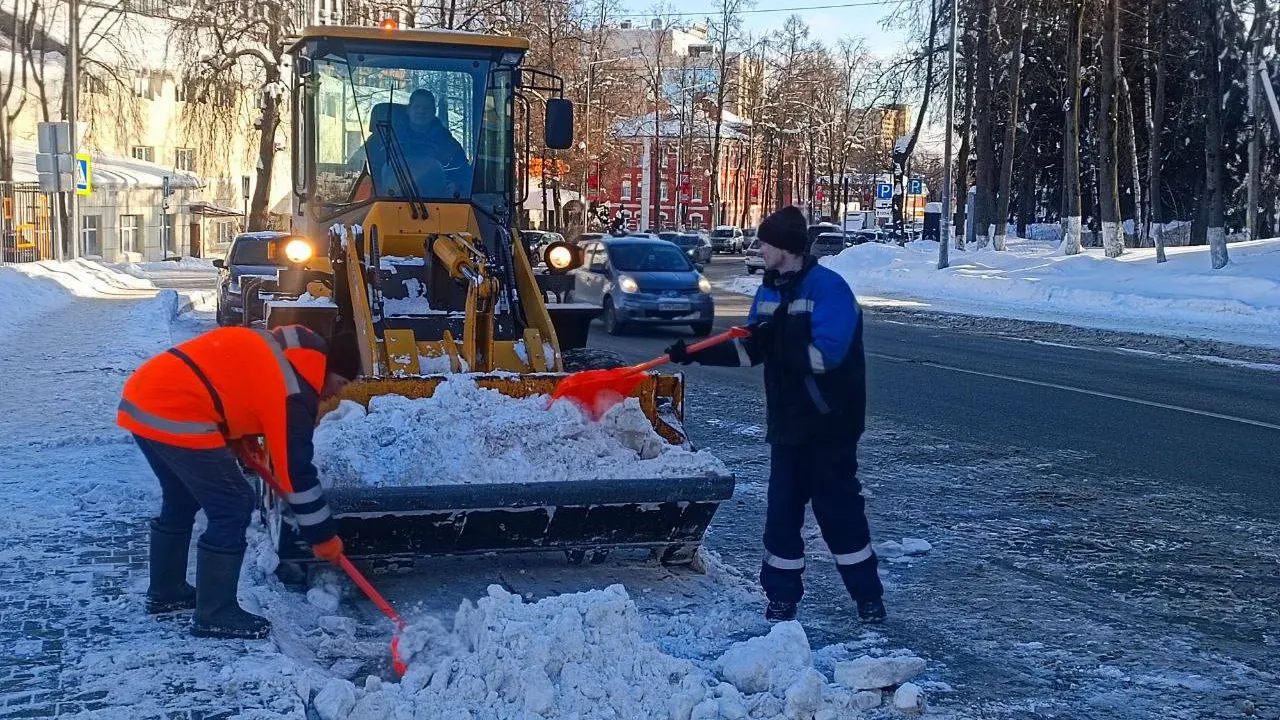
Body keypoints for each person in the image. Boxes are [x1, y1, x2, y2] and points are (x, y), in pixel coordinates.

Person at [665, 206, 887, 624]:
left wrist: (777, 343)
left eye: (765, 242)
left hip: (829, 426)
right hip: (787, 427)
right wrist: (697, 354)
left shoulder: (829, 290)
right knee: (781, 518)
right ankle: (781, 599)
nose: (759, 249)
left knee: (839, 517)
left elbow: (827, 357)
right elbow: (750, 347)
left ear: (784, 247)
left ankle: (867, 598)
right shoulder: (768, 292)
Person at [117, 325, 362, 639]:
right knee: (233, 503)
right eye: (340, 383)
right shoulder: (295, 390)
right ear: (327, 369)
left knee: (182, 497)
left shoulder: (285, 355)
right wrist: (323, 535)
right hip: (176, 408)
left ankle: (167, 591)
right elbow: (296, 471)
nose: (336, 394)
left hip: (145, 395)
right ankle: (215, 613)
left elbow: (235, 384)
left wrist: (240, 436)